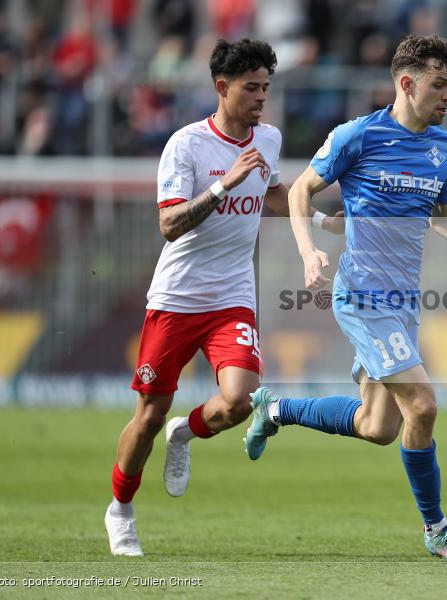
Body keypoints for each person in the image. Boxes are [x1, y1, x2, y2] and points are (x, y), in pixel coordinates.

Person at [243, 33, 447, 562]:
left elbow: (444, 218)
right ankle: (437, 530)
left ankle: (277, 407)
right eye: (440, 85)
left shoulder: (443, 148)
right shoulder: (357, 136)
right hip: (361, 297)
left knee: (377, 427)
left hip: (404, 304)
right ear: (407, 83)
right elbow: (299, 191)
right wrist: (309, 251)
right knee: (423, 406)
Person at [104, 38, 341, 556]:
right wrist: (222, 187)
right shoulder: (186, 145)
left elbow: (273, 193)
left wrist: (322, 220)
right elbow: (168, 224)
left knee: (238, 401)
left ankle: (183, 435)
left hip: (233, 294)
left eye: (266, 88)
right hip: (177, 296)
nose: (261, 98)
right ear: (221, 88)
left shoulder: (270, 138)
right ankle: (121, 509)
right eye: (251, 88)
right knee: (146, 414)